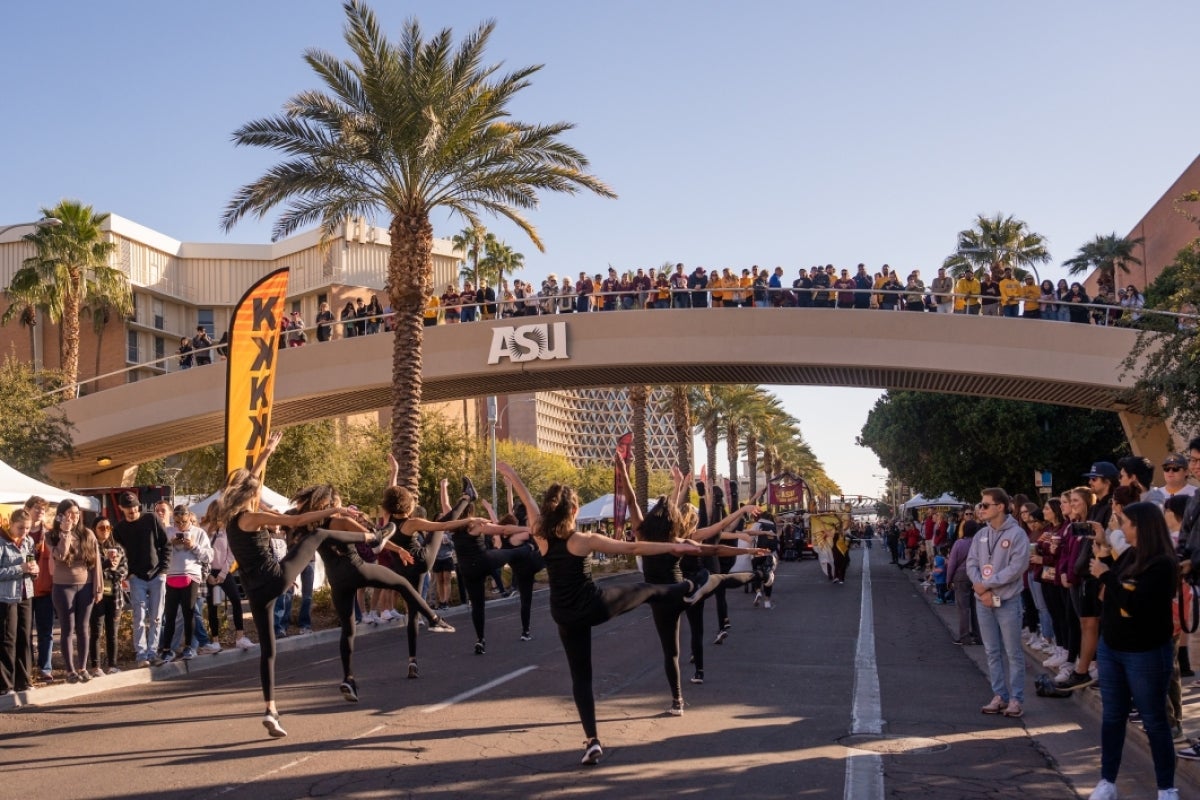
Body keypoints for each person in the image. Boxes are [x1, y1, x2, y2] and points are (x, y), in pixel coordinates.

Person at [499, 460, 718, 765]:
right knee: (646, 589)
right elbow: (632, 549)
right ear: (574, 512)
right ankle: (689, 588)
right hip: (593, 606)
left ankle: (592, 740)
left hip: (563, 614)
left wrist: (512, 475)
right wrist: (673, 548)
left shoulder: (540, 535)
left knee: (581, 677)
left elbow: (528, 501)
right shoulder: (582, 540)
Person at [217, 434, 387, 738]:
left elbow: (249, 483)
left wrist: (265, 453)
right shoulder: (252, 517)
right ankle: (372, 539)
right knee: (316, 535)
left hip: (255, 591)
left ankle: (270, 710)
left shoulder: (229, 519)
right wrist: (333, 512)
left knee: (268, 650)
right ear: (249, 496)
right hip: (275, 578)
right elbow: (300, 521)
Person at [289, 482, 455, 702]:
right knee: (403, 584)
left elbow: (378, 541)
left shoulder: (312, 526)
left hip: (336, 579)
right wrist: (384, 532)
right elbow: (375, 539)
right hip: (357, 569)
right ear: (332, 502)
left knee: (348, 630)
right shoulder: (342, 521)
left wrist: (398, 549)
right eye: (338, 501)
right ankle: (433, 618)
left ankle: (348, 678)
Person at [1086, 502, 1181, 800]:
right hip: (1112, 647)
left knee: (1154, 720)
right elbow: (1110, 595)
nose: (1120, 528)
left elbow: (1138, 604)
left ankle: (1166, 788)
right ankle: (1107, 781)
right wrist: (1107, 573)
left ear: (1141, 525)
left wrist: (1105, 575)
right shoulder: (1128, 554)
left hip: (1146, 652)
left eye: (1124, 522)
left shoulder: (1163, 563)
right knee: (1112, 716)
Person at [966, 487, 1030, 718]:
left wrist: (988, 584)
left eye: (985, 505)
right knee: (992, 651)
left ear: (1000, 507)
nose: (981, 509)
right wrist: (979, 586)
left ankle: (1016, 699)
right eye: (980, 505)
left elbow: (1017, 567)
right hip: (983, 599)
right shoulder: (981, 535)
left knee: (1013, 652)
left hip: (1008, 600)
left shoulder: (1017, 534)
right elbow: (971, 563)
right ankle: (999, 695)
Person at [113, 491, 171, 668]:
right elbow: (119, 554)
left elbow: (165, 544)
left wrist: (164, 570)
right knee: (139, 616)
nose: (132, 510)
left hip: (156, 575)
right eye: (128, 508)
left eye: (134, 507)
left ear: (139, 506)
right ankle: (141, 654)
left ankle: (153, 653)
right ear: (122, 508)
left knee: (156, 617)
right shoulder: (119, 529)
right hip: (136, 577)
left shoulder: (151, 519)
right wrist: (128, 573)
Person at [48, 499, 103, 684]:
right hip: (63, 586)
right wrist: (65, 533)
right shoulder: (52, 535)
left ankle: (82, 667)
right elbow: (61, 556)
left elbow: (96, 564)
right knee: (67, 628)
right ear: (61, 515)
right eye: (70, 513)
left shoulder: (88, 534)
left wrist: (98, 588)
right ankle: (70, 670)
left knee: (83, 627)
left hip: (86, 585)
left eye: (77, 513)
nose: (74, 517)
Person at [158, 506, 213, 663]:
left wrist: (193, 546)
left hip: (191, 575)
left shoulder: (199, 532)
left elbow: (209, 556)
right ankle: (167, 650)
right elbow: (159, 553)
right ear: (172, 519)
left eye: (184, 521)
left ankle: (189, 647)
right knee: (170, 615)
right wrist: (171, 544)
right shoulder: (168, 532)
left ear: (190, 518)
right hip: (172, 576)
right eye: (177, 522)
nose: (180, 525)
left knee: (189, 612)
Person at [203, 507, 254, 651]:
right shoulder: (204, 530)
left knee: (236, 601)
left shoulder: (227, 531)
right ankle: (215, 641)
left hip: (224, 572)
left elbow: (231, 553)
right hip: (209, 573)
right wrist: (208, 575)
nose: (220, 518)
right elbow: (201, 554)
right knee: (213, 606)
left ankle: (240, 637)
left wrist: (223, 574)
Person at [0, 508, 37, 695]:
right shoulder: (2, 543)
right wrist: (19, 568)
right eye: (20, 528)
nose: (25, 532)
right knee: (8, 639)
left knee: (25, 638)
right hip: (6, 597)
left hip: (25, 593)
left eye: (28, 528)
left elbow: (31, 562)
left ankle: (24, 680)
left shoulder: (29, 541)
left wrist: (33, 569)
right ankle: (6, 685)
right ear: (11, 525)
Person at [87, 518, 126, 676]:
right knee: (96, 631)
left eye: (108, 527)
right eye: (101, 527)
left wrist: (115, 568)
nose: (105, 530)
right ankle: (96, 666)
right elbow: (89, 571)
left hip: (114, 595)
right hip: (96, 594)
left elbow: (124, 571)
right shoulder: (90, 547)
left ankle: (113, 664)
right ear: (94, 529)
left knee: (112, 632)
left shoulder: (117, 548)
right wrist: (106, 566)